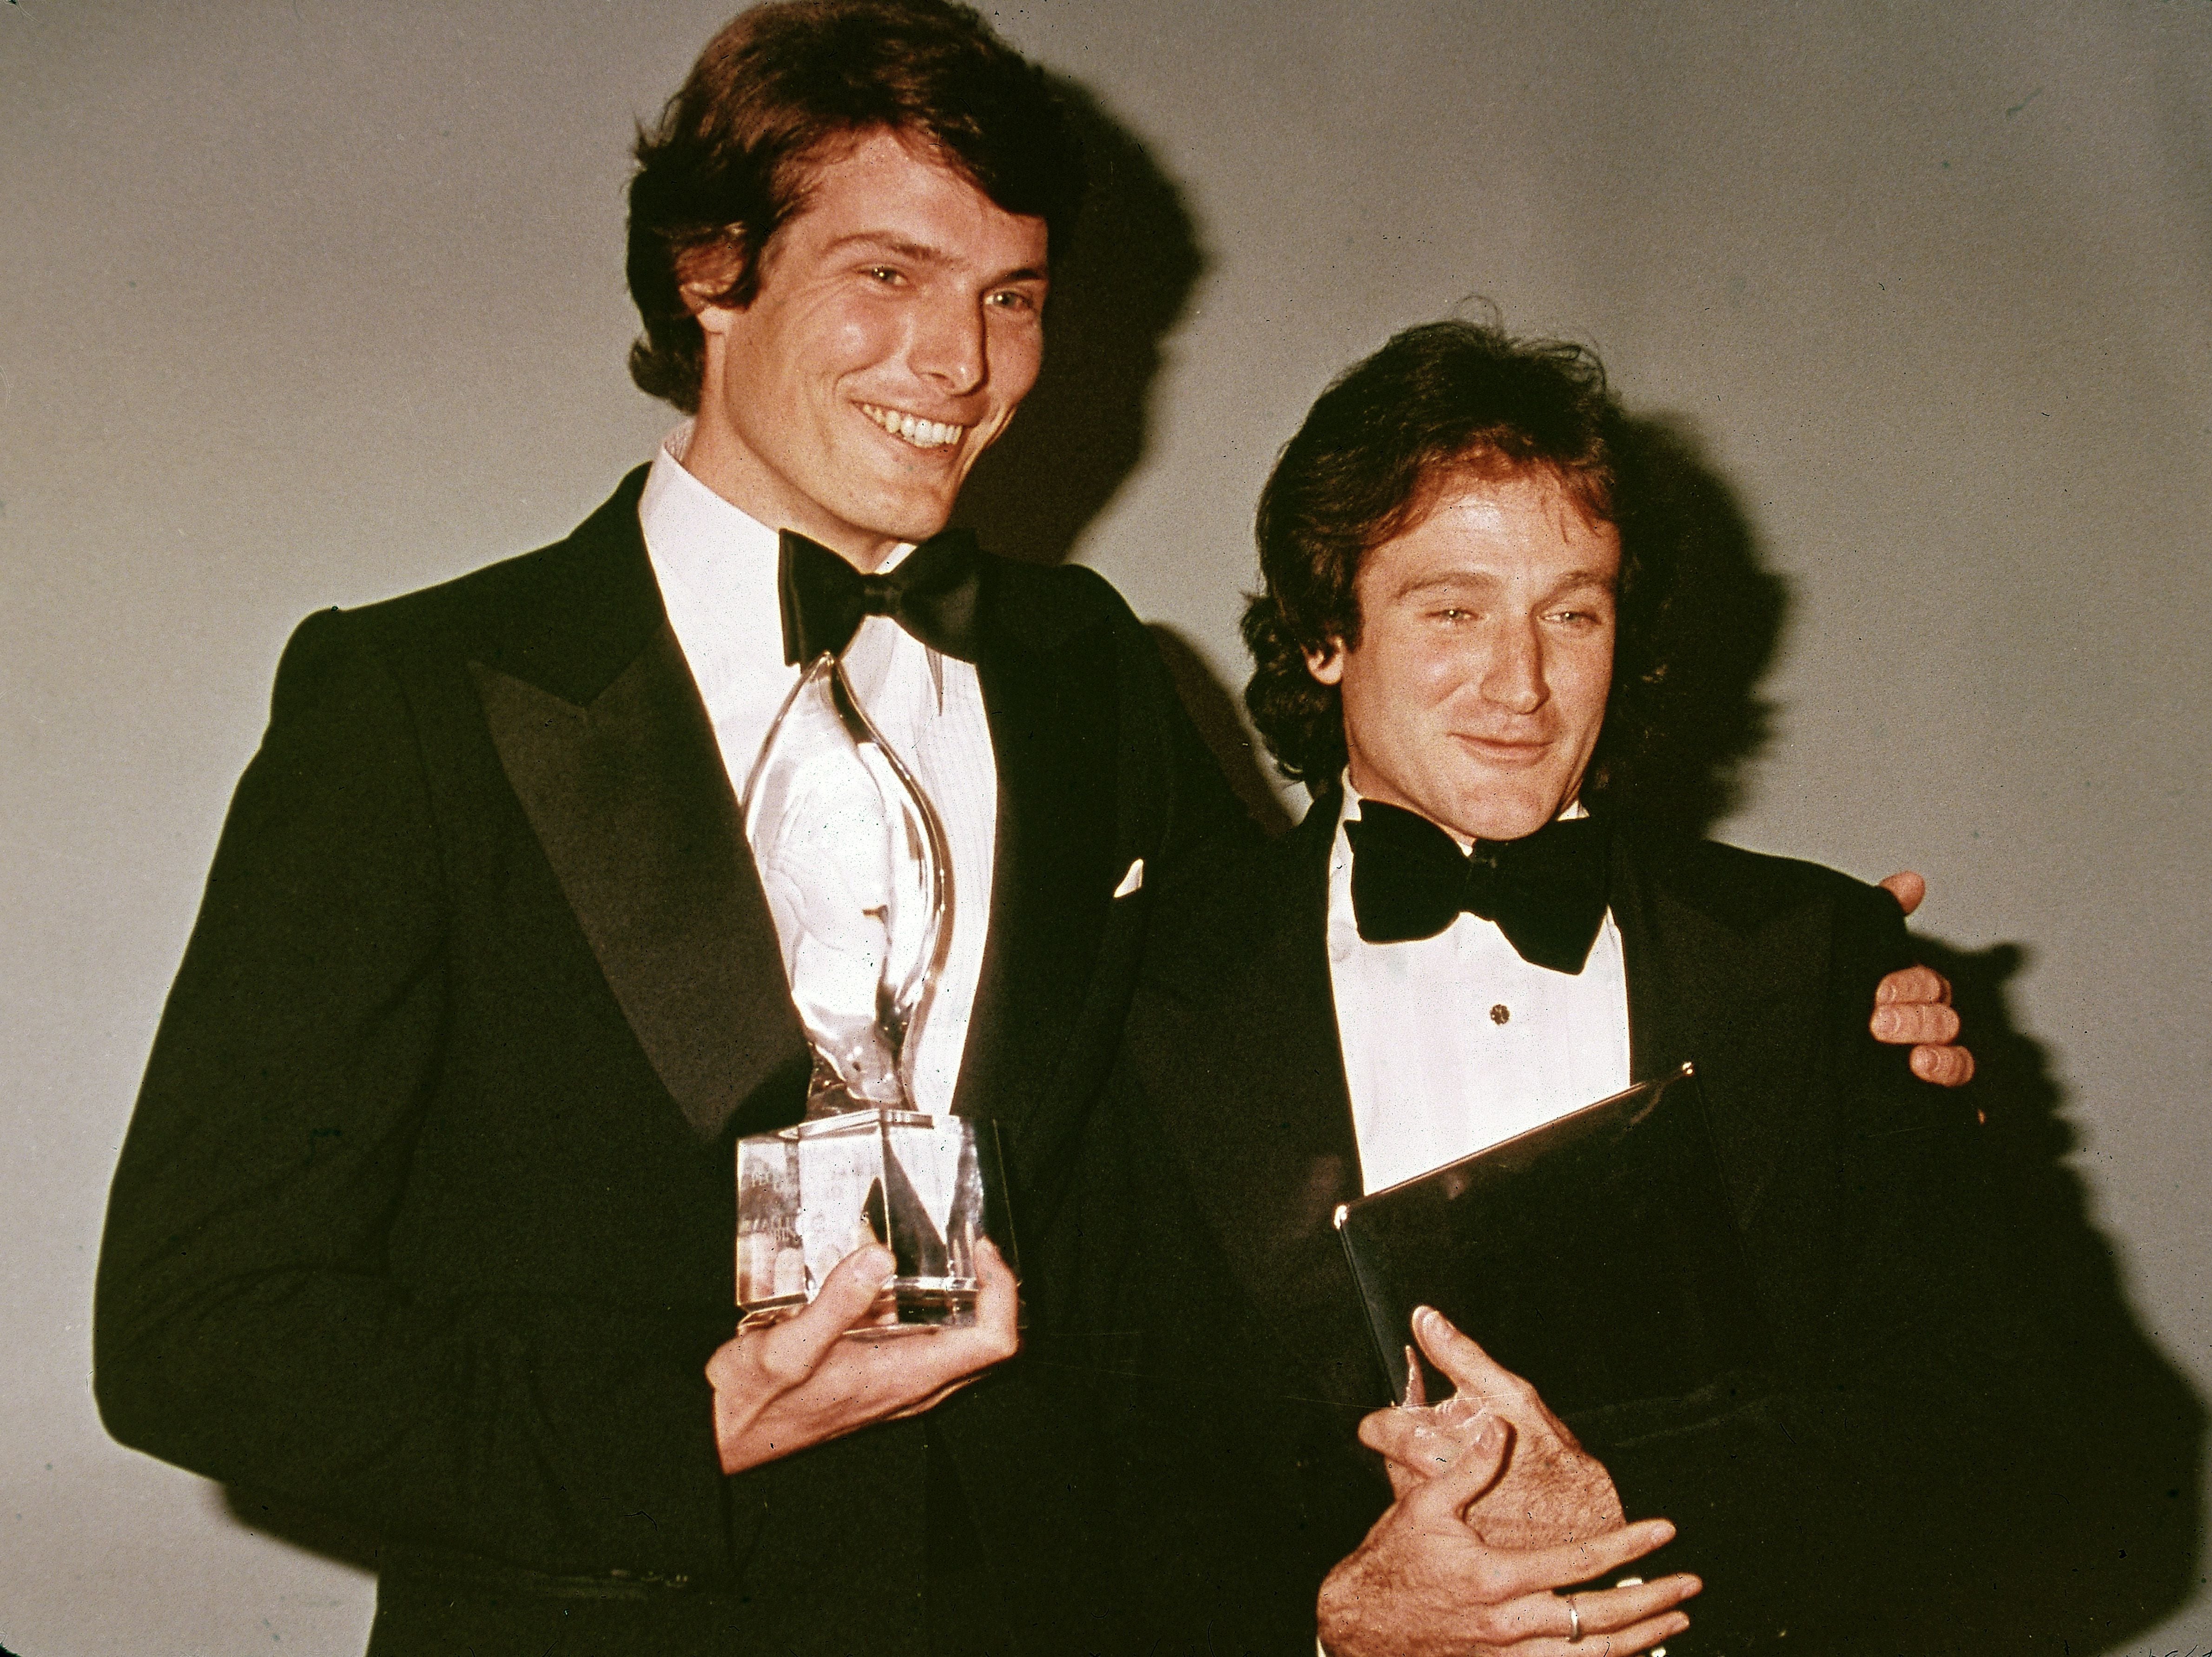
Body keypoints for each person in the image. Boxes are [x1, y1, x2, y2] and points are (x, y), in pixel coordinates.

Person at [90, 4, 1970, 1652]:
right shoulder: (420, 700)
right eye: (887, 277)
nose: (961, 363)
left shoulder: (1090, 676)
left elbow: (1324, 994)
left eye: (1011, 296)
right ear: (710, 269)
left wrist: (1813, 995)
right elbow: (196, 1326)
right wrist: (700, 1422)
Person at [1077, 318, 2025, 1654]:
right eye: (1452, 610)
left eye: (1570, 611)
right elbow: (1075, 1494)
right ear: (1319, 635)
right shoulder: (1134, 987)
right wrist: (1330, 1625)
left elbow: (2006, 1442)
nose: (1519, 685)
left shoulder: (1814, 957)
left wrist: (1633, 1526)